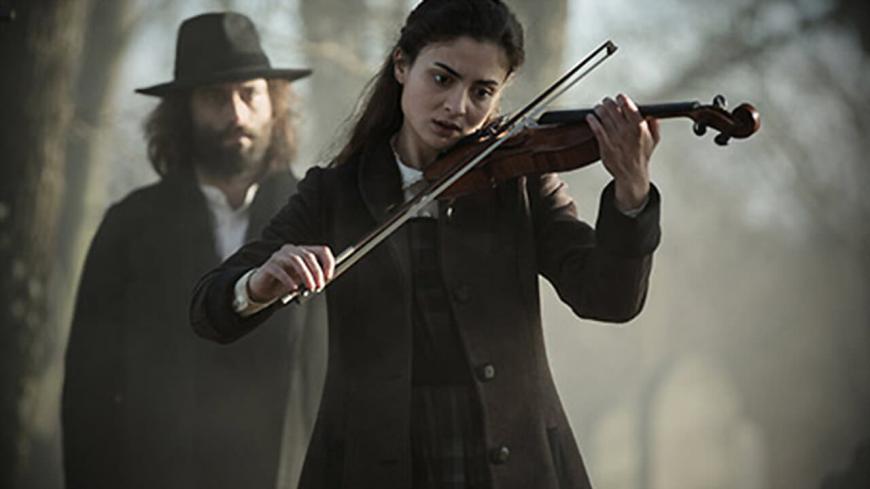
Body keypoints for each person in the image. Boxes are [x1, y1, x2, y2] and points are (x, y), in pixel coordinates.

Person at [190, 1, 661, 488]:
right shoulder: (333, 193)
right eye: (442, 79)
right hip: (374, 467)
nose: (458, 107)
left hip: (513, 466)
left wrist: (631, 193)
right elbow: (209, 310)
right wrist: (258, 284)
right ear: (401, 65)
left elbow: (610, 299)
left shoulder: (521, 183)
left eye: (482, 91)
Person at [62, 12, 326, 489]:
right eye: (215, 98)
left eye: (249, 94)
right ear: (183, 111)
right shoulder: (130, 226)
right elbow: (88, 389)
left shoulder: (318, 218)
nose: (236, 114)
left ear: (274, 103)